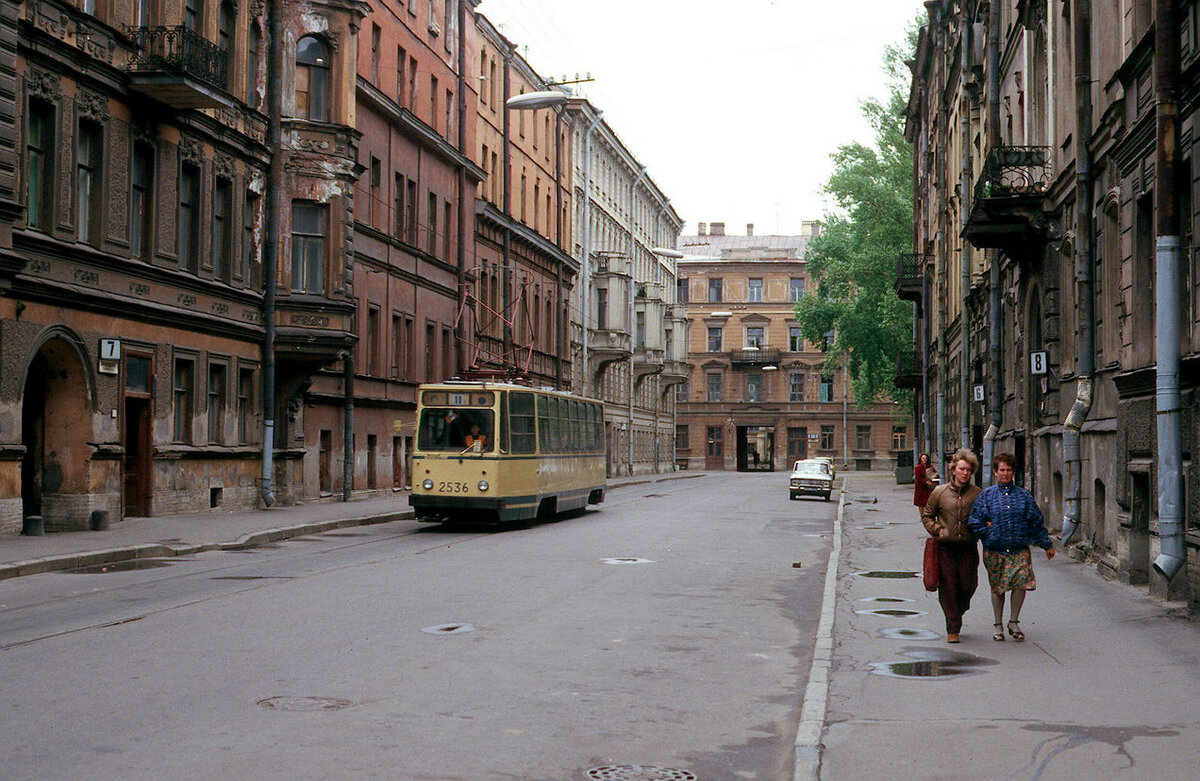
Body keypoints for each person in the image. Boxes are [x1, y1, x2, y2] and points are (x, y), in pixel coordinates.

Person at [968, 452, 1055, 642]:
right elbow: (974, 521)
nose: (1005, 474)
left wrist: (1046, 544)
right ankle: (998, 625)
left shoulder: (1023, 496)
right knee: (998, 587)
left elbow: (1035, 522)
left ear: (1013, 472)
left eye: (1008, 470)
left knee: (1021, 582)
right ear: (995, 472)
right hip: (995, 550)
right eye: (1002, 470)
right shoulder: (987, 496)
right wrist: (987, 532)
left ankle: (1014, 621)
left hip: (1019, 549)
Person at [920, 448, 982, 643]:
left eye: (969, 470)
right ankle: (952, 627)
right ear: (953, 469)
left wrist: (982, 528)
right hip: (945, 547)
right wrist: (937, 530)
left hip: (968, 547)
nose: (965, 473)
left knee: (968, 584)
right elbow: (927, 515)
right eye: (962, 469)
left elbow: (985, 517)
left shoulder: (977, 494)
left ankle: (958, 610)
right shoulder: (940, 492)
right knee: (949, 587)